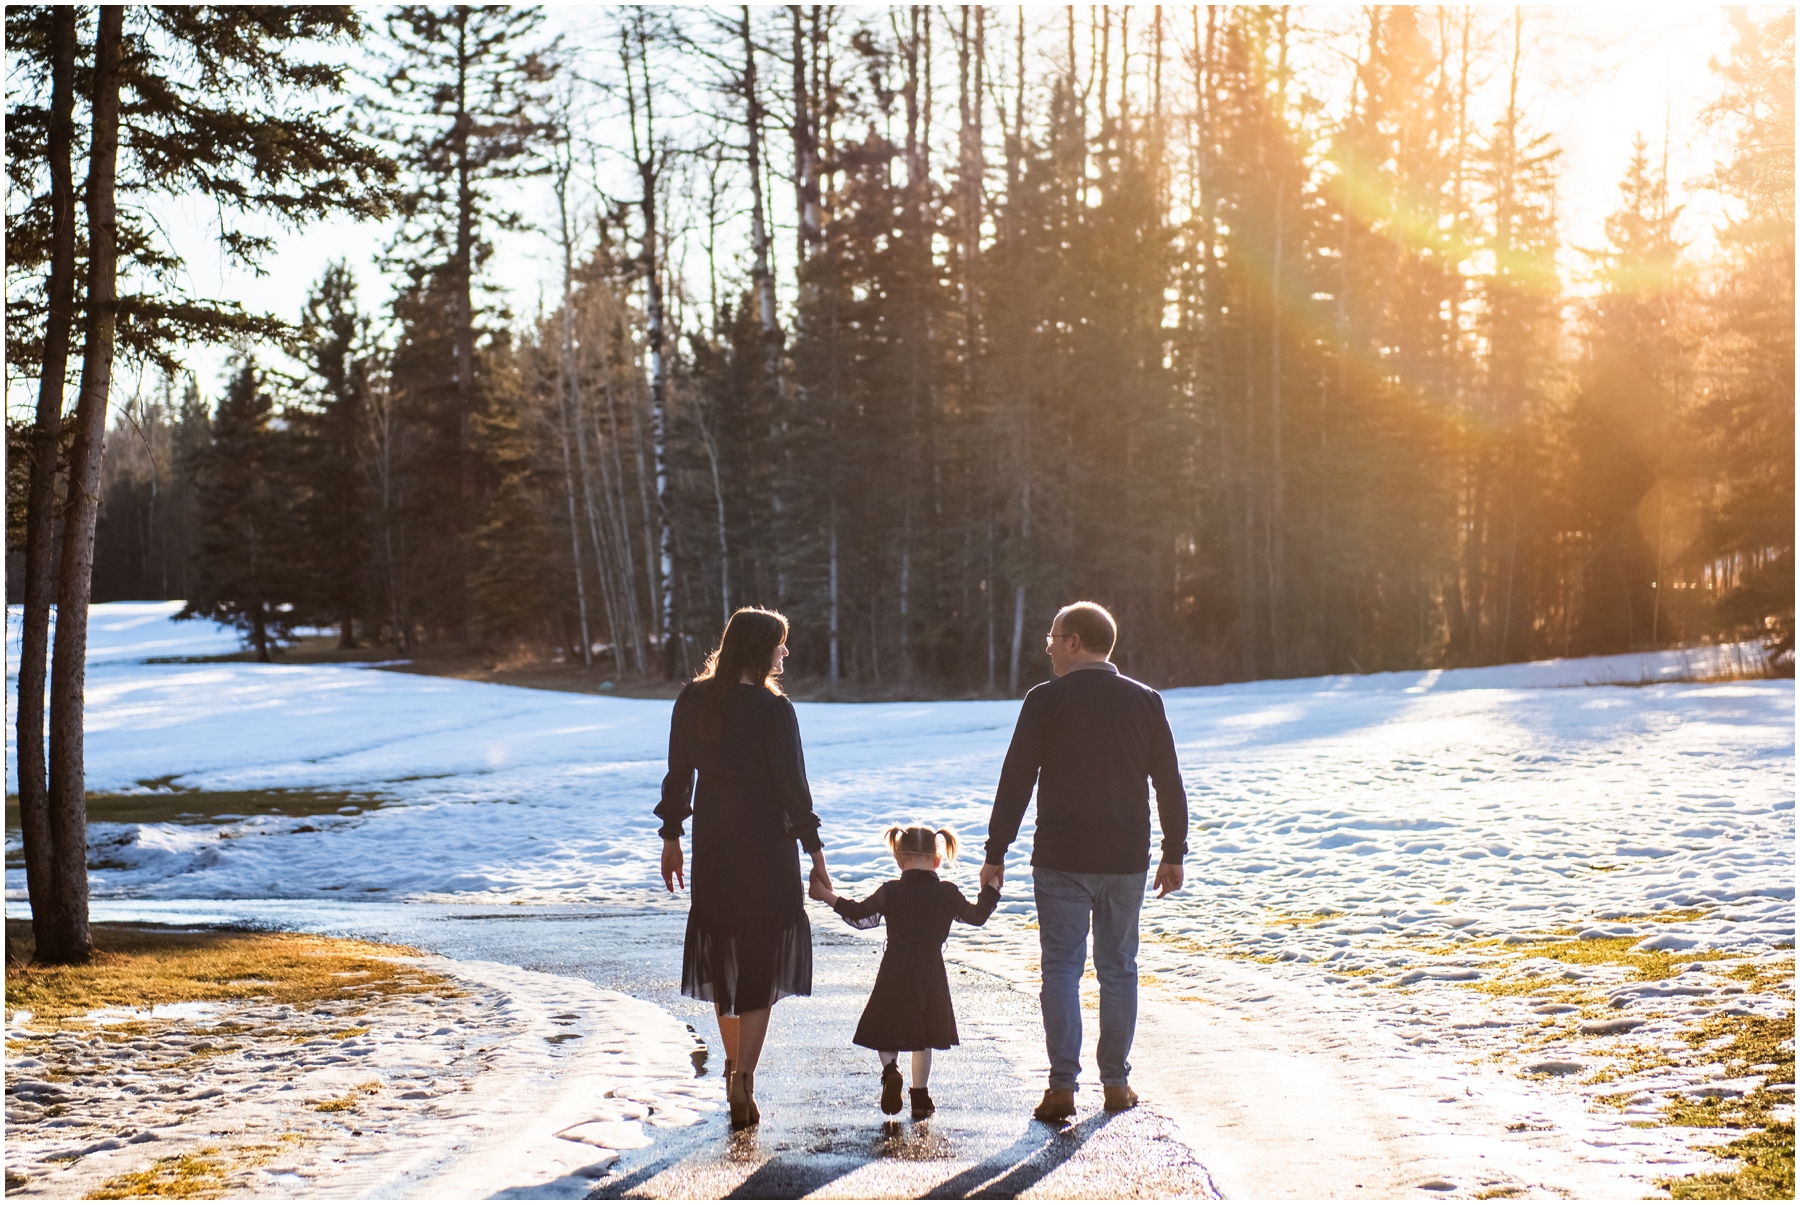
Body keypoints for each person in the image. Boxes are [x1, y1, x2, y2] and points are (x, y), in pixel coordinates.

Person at [980, 600, 1188, 1124]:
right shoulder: (1145, 701)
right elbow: (1168, 780)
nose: (1048, 645)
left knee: (1062, 972)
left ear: (1074, 642)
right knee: (1119, 970)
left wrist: (995, 851)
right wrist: (1172, 851)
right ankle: (1116, 1084)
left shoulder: (1045, 701)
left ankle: (1062, 1088)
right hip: (1125, 860)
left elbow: (1016, 779)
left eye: (1053, 636)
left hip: (1062, 860)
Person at [656, 607, 832, 1130]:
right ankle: (744, 1080)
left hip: (715, 841)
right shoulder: (774, 710)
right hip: (766, 845)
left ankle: (732, 1063)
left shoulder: (694, 699)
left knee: (723, 948)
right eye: (780, 644)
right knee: (761, 957)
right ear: (760, 649)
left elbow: (677, 774)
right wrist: (816, 854)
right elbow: (793, 789)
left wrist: (671, 838)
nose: (785, 653)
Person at [811, 823, 1000, 1119]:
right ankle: (921, 1097)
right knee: (923, 1036)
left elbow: (860, 916)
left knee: (884, 1028)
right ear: (938, 860)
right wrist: (992, 890)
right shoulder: (948, 893)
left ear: (900, 860)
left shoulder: (891, 891)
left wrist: (826, 895)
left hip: (895, 967)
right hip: (932, 972)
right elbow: (976, 917)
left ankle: (890, 1070)